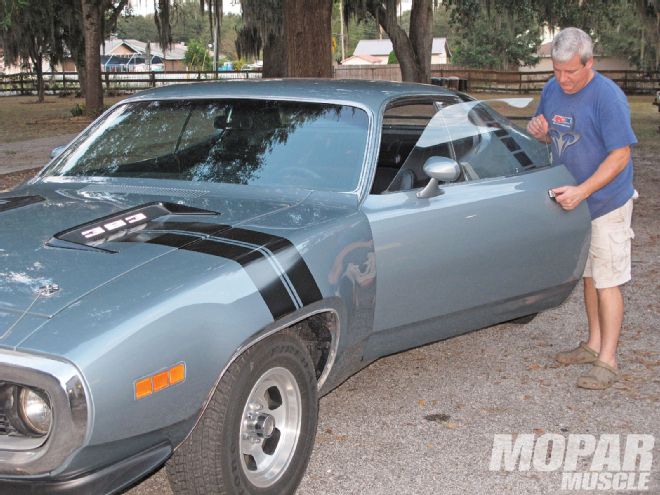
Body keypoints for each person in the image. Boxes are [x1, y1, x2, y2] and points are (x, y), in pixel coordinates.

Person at [527, 27, 637, 390]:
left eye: (571, 71)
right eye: (557, 71)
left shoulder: (608, 97)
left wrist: (584, 190)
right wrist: (537, 128)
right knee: (590, 276)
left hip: (606, 201)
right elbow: (547, 132)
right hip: (576, 203)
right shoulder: (552, 89)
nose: (563, 79)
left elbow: (621, 154)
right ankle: (592, 346)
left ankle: (608, 361)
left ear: (589, 63)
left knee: (608, 280)